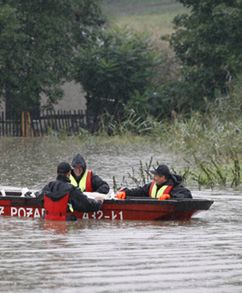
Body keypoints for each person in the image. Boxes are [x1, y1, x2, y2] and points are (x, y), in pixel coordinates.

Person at [116, 164, 192, 200]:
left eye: (156, 176)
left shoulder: (175, 187)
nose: (154, 178)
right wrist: (125, 192)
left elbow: (187, 195)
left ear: (163, 177)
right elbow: (139, 191)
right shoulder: (151, 186)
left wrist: (169, 197)